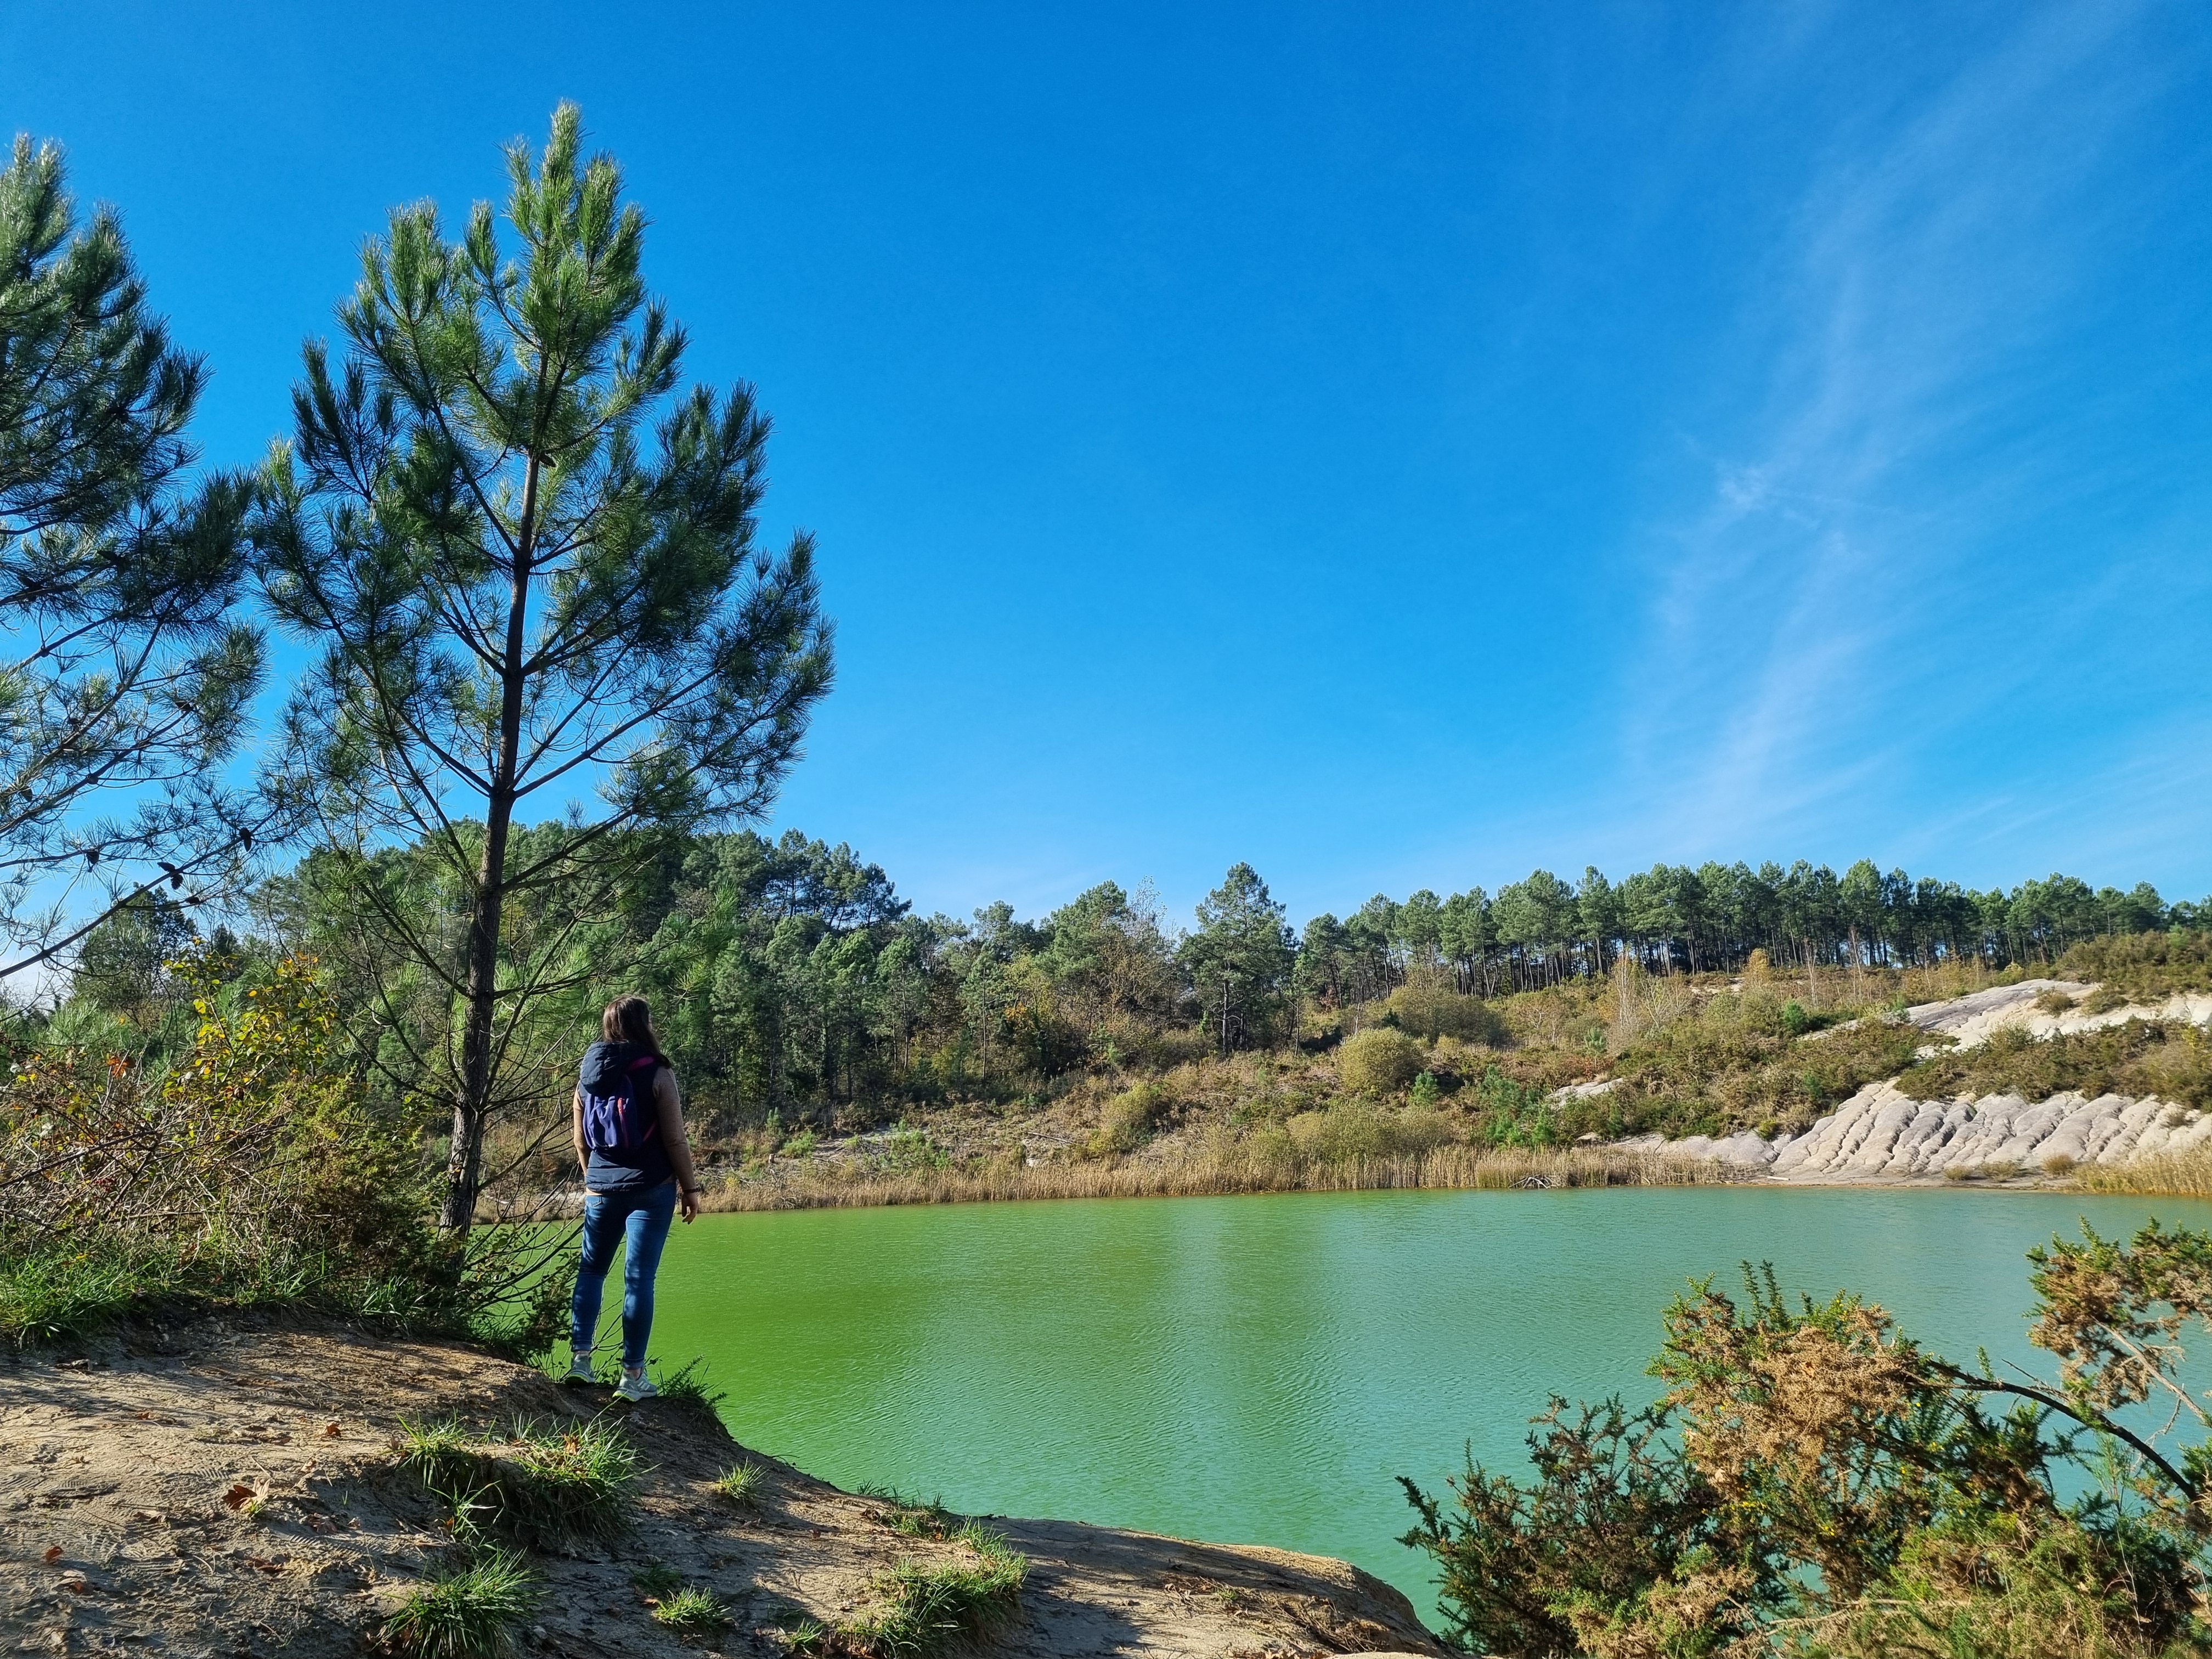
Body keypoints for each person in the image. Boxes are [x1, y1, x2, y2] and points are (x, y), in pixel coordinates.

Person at [567, 995, 703, 1400]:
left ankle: (580, 1363)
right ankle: (632, 1377)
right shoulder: (658, 1073)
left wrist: (594, 1179)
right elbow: (675, 1139)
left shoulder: (587, 1076)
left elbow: (579, 1139)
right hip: (651, 1188)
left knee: (591, 1272)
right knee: (639, 1279)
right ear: (644, 1025)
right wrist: (691, 1188)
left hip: (599, 1189)